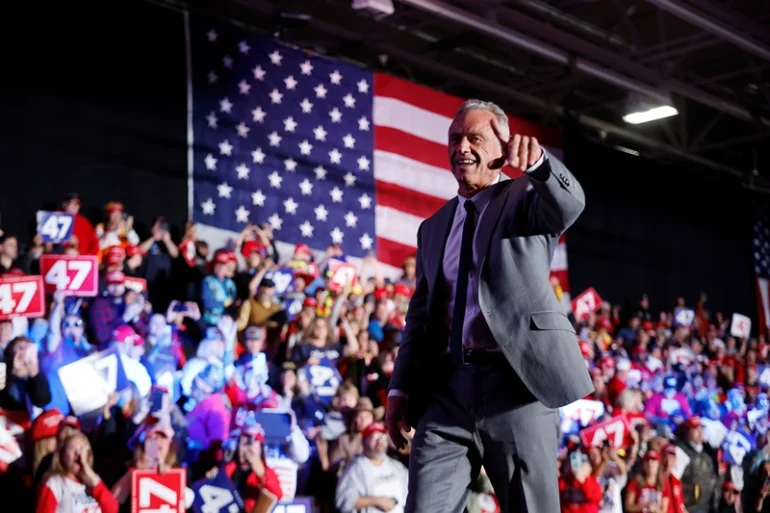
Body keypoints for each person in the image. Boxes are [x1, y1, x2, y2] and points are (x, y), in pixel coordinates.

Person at [385, 99, 592, 512]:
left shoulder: (525, 198)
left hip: (516, 386)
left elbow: (570, 204)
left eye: (474, 138)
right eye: (455, 138)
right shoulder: (433, 228)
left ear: (502, 146)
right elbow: (420, 319)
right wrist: (399, 388)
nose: (461, 146)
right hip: (446, 393)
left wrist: (539, 166)